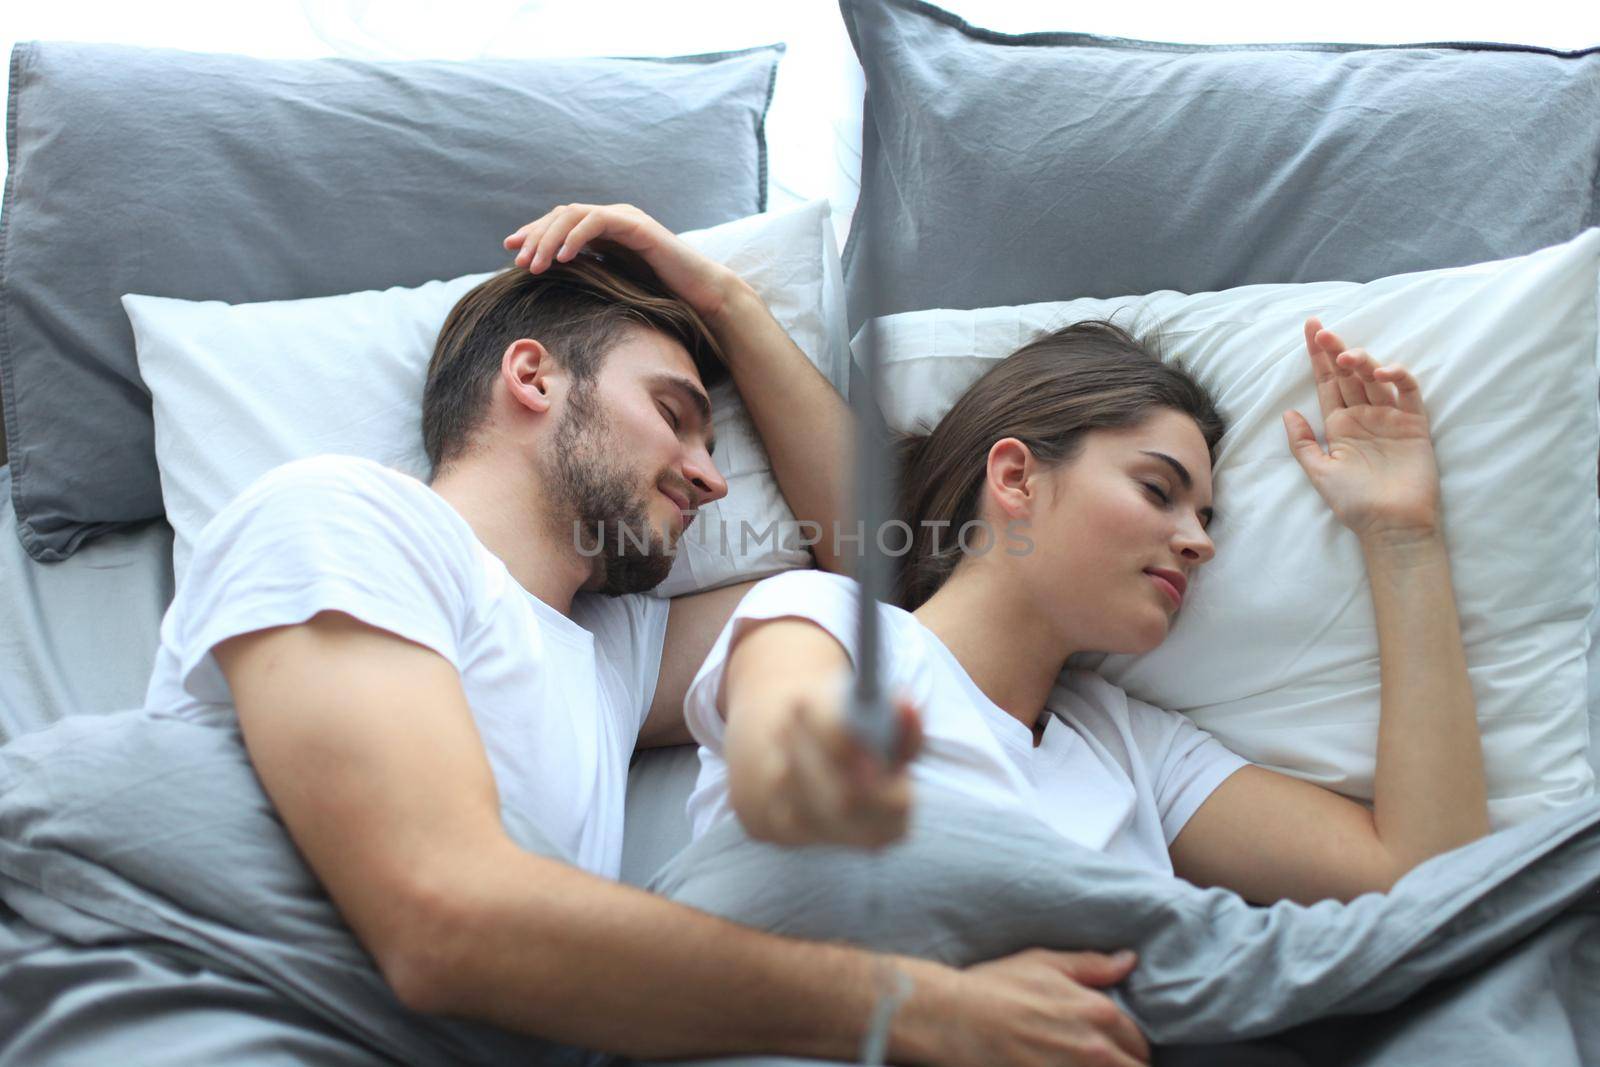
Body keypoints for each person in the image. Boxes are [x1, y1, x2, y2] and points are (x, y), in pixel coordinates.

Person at [164, 204, 1156, 1065]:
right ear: (532, 377)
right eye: (674, 415)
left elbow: (879, 581)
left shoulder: (614, 656)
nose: (711, 473)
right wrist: (915, 1005)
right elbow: (437, 918)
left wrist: (729, 301)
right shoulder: (341, 515)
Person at [686, 316, 1490, 913]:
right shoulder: (827, 621)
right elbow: (791, 774)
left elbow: (1426, 880)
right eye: (1158, 490)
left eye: (1207, 520)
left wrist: (1402, 536)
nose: (1197, 543)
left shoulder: (1129, 746)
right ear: (1016, 478)